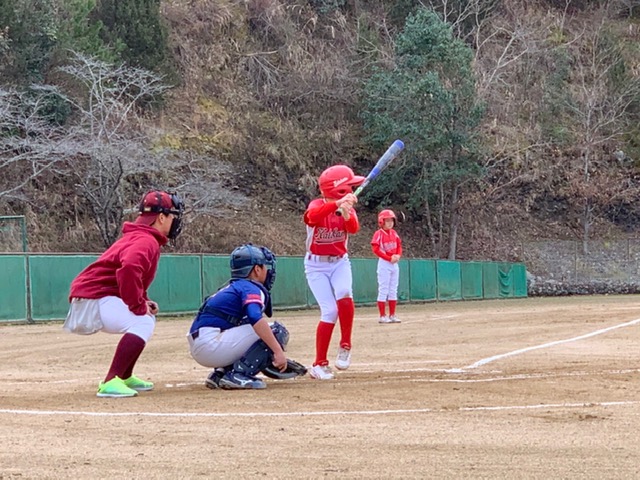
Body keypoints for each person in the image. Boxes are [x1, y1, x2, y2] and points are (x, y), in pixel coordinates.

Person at [66, 190, 185, 398]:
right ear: (161, 217)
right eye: (173, 216)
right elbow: (129, 269)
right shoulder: (146, 240)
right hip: (91, 299)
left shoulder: (141, 236)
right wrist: (138, 305)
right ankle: (111, 380)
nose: (175, 222)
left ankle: (126, 375)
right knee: (142, 321)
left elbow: (127, 275)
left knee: (144, 318)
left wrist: (143, 300)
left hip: (93, 296)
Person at [188, 244, 296, 390]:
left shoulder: (232, 287)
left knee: (245, 323)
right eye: (264, 266)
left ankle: (220, 373)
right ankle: (239, 374)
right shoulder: (250, 287)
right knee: (277, 331)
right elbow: (255, 317)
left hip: (202, 343)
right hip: (210, 344)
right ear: (257, 270)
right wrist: (277, 351)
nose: (267, 270)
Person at [303, 164, 364, 380]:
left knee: (345, 292)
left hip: (339, 262)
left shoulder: (348, 207)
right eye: (347, 187)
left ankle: (345, 343)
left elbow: (354, 229)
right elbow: (312, 217)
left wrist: (347, 213)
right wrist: (336, 204)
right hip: (316, 266)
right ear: (337, 189)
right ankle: (319, 364)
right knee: (329, 311)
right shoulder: (317, 204)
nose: (351, 190)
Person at [371, 209, 403, 324]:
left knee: (393, 289)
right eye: (387, 221)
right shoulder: (378, 234)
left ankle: (392, 314)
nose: (390, 223)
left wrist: (398, 255)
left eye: (391, 221)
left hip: (394, 263)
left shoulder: (394, 233)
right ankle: (382, 315)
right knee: (383, 289)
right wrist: (389, 258)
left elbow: (399, 246)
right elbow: (375, 249)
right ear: (381, 222)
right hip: (384, 263)